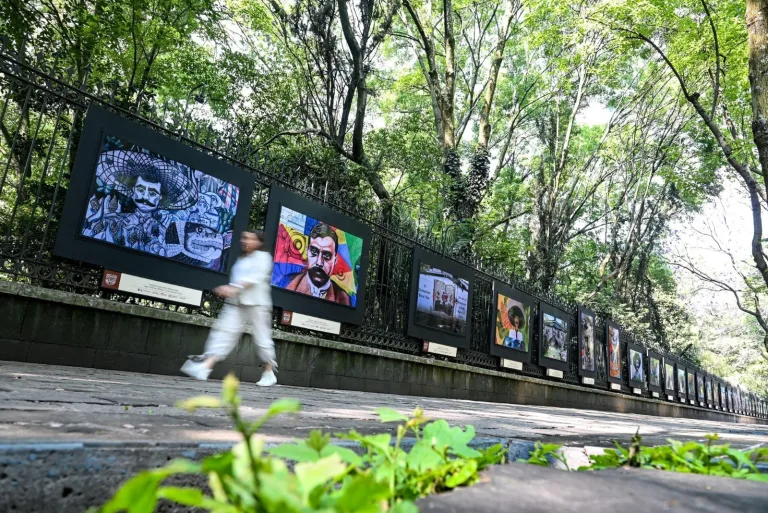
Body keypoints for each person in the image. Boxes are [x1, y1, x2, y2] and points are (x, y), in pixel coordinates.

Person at [181, 229, 277, 386]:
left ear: (258, 242)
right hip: (236, 304)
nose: (245, 241)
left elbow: (254, 278)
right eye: (244, 238)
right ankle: (205, 367)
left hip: (258, 305)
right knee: (223, 333)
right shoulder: (241, 260)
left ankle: (269, 372)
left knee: (262, 340)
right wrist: (231, 291)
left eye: (249, 238)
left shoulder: (264, 258)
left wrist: (232, 288)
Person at [285, 223, 351, 305]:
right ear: (307, 252)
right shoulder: (289, 284)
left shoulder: (343, 298)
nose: (319, 262)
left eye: (327, 255)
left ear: (335, 260)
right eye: (314, 251)